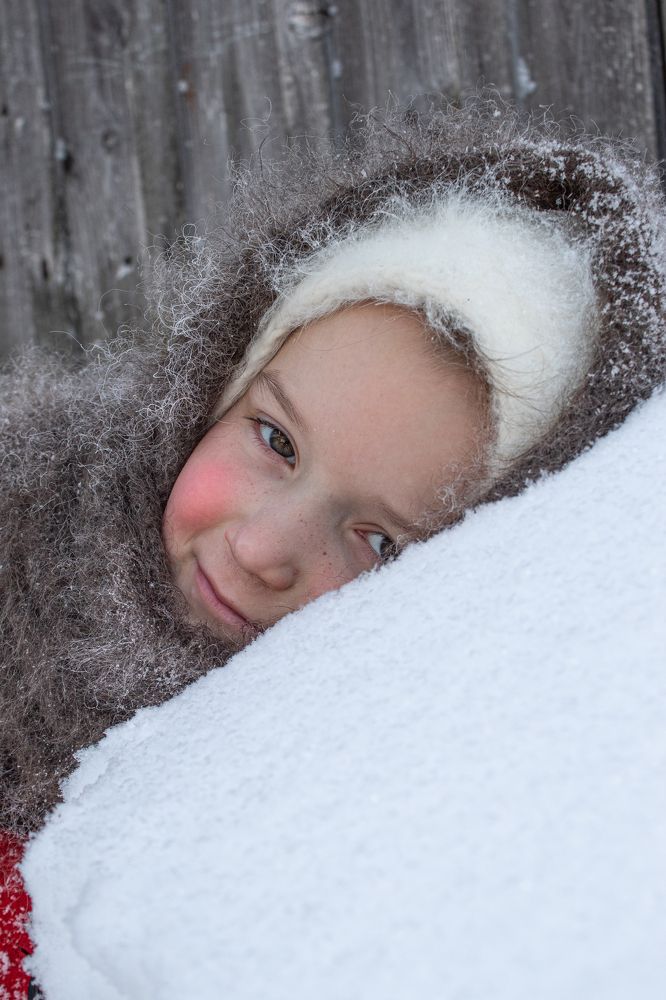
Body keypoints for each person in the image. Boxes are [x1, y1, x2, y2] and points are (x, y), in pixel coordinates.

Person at [1, 98, 665, 992]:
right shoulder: (22, 519)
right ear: (215, 387)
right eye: (275, 439)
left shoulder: (360, 824)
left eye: (381, 542)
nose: (264, 550)